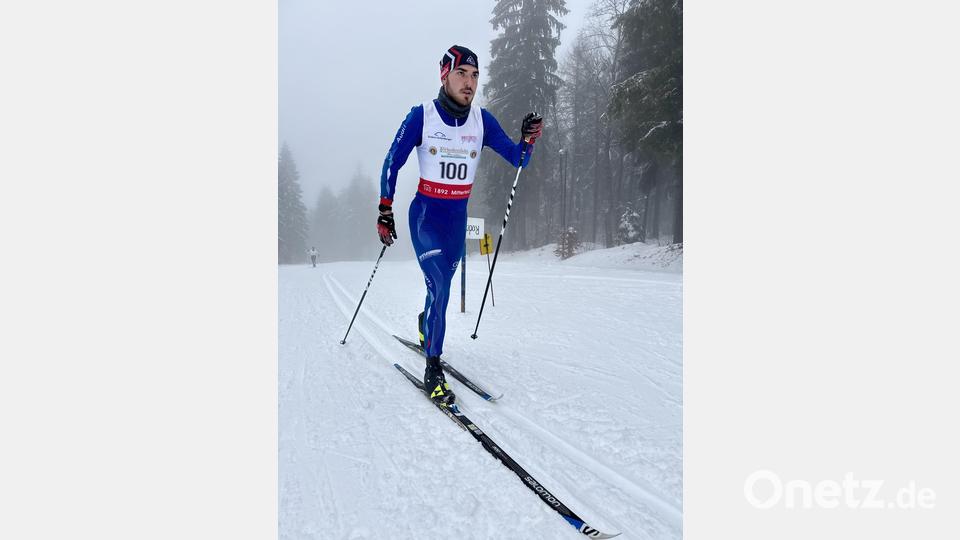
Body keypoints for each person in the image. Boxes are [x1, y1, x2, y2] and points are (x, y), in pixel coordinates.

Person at [376, 45, 543, 404]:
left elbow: (518, 159)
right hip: (425, 217)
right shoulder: (422, 116)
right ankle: (433, 367)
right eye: (462, 74)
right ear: (445, 75)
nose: (469, 83)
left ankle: (426, 324)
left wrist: (528, 139)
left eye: (475, 75)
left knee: (441, 287)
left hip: (456, 220)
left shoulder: (482, 121)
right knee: (441, 283)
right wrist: (385, 208)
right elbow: (393, 160)